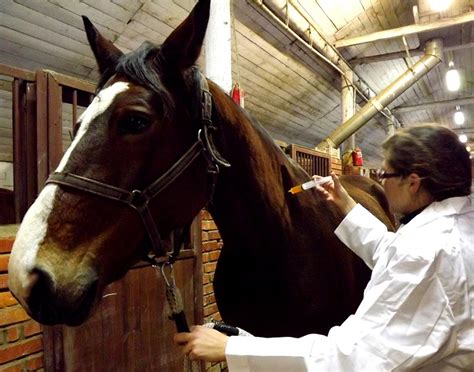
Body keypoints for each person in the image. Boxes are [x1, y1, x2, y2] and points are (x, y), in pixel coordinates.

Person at [174, 124, 474, 371]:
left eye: (384, 175)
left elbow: (355, 357)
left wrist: (234, 348)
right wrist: (346, 204)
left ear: (413, 182)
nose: (381, 184)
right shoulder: (451, 226)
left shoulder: (427, 249)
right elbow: (392, 253)